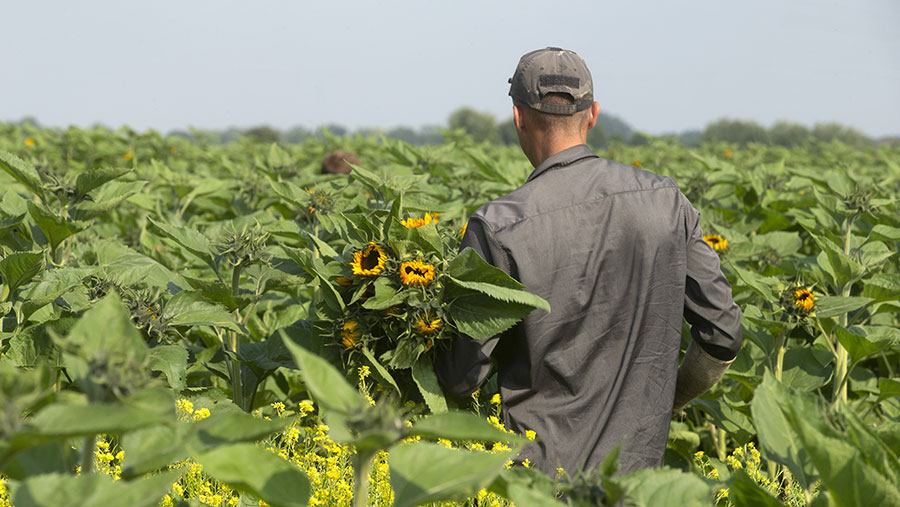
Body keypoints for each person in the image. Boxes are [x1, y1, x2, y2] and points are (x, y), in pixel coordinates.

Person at [434, 47, 742, 476]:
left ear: (518, 117)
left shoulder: (498, 228)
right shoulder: (666, 201)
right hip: (637, 481)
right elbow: (723, 335)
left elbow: (460, 376)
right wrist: (664, 402)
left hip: (537, 484)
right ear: (593, 114)